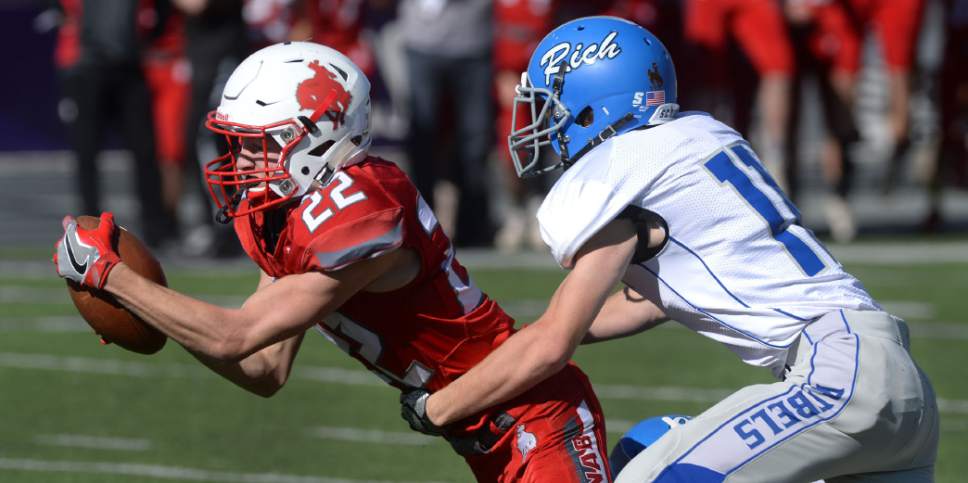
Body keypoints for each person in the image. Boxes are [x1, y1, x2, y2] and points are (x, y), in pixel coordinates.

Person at [403, 17, 939, 482]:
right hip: (898, 387)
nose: (545, 124)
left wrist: (439, 407)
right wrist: (516, 344)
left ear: (592, 105)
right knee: (653, 442)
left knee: (649, 473)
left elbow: (552, 345)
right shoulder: (696, 139)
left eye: (552, 107)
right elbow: (654, 299)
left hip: (835, 374)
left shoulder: (625, 165)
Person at [53, 41, 610, 483]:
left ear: (321, 137)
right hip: (483, 426)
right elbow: (263, 368)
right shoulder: (287, 211)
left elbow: (235, 337)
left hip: (535, 414)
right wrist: (152, 307)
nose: (240, 160)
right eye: (238, 143)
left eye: (259, 143)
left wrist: (112, 276)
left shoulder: (364, 206)